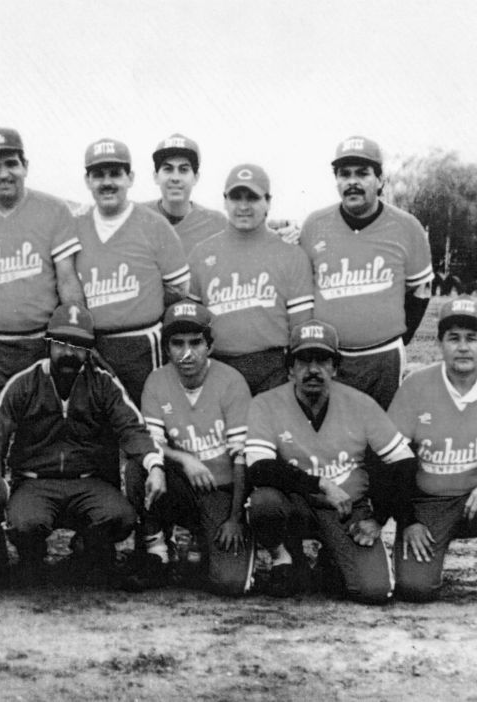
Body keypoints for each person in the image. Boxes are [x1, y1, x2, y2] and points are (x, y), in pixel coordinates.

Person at [0, 303, 165, 585]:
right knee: (25, 524)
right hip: (35, 482)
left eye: (78, 346)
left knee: (121, 517)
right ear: (48, 343)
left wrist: (155, 465)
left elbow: (132, 428)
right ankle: (32, 555)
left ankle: (87, 548)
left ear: (89, 350)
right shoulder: (25, 383)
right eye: (61, 343)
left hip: (88, 482)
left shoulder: (103, 384)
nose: (68, 353)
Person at [244, 320, 415, 603]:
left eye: (322, 360)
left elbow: (403, 462)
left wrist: (379, 518)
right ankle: (286, 557)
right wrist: (321, 484)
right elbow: (259, 468)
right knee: (264, 502)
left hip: (347, 510)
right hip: (297, 505)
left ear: (335, 368)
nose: (313, 370)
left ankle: (331, 559)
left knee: (375, 591)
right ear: (290, 368)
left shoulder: (360, 403)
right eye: (303, 361)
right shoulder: (266, 403)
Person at [0, 127, 85, 419]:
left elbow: (67, 279)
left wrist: (76, 336)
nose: (3, 174)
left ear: (25, 166)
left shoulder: (54, 209)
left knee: (43, 425)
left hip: (40, 341)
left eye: (11, 163)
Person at [299, 136, 434, 409]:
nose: (353, 182)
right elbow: (302, 291)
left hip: (384, 358)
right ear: (336, 180)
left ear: (380, 180)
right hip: (330, 357)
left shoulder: (407, 226)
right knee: (330, 430)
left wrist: (399, 338)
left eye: (362, 173)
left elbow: (420, 291)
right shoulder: (314, 224)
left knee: (383, 430)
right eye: (344, 174)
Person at [139, 301, 255, 595]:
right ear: (167, 349)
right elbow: (149, 441)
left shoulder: (231, 381)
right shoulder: (157, 380)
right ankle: (157, 551)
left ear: (210, 346)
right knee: (139, 468)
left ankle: (205, 538)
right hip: (183, 482)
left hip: (222, 491)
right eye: (177, 343)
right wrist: (184, 459)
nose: (186, 352)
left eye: (195, 343)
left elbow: (241, 458)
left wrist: (234, 519)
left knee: (229, 583)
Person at [74, 138, 189, 404]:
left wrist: (141, 307)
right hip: (93, 346)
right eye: (98, 175)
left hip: (143, 347)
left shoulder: (154, 225)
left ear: (130, 178)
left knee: (146, 418)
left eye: (115, 173)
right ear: (88, 180)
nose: (107, 182)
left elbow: (179, 290)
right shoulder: (75, 226)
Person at [188, 164, 314, 395]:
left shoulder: (291, 254)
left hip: (274, 368)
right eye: (236, 197)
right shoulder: (201, 254)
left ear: (268, 201)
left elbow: (301, 329)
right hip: (218, 367)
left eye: (253, 198)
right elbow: (194, 327)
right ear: (225, 201)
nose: (243, 206)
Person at [390, 296, 477, 601]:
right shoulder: (416, 385)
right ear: (440, 343)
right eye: (454, 338)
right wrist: (408, 520)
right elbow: (392, 460)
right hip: (430, 502)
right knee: (415, 589)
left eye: (472, 338)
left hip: (473, 496)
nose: (463, 347)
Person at [141, 134, 227, 255]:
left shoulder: (216, 223)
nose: (175, 178)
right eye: (168, 169)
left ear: (196, 177)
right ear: (156, 176)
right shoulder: (138, 217)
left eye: (183, 170)